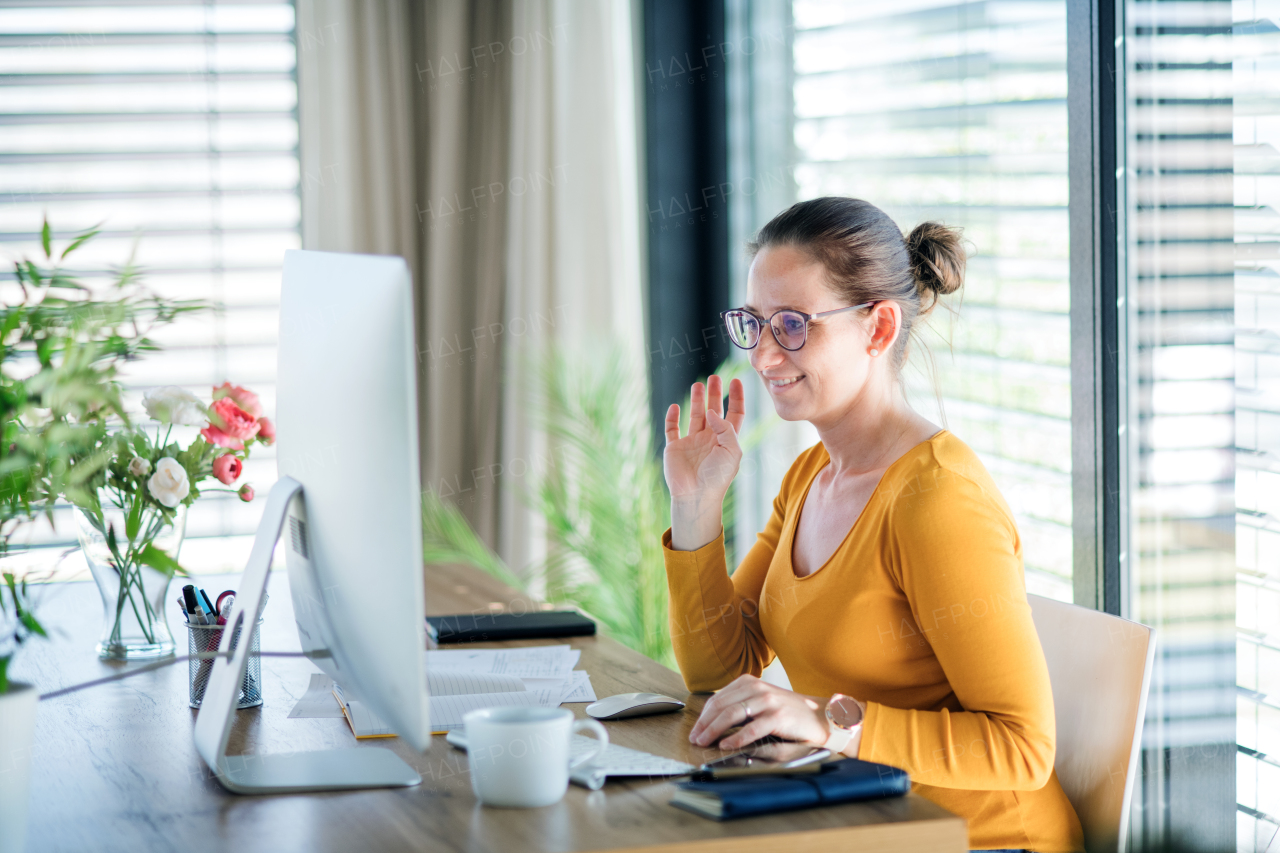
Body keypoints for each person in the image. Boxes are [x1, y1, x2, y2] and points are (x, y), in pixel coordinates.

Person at [660, 197, 1083, 853]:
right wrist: (694, 505)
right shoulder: (809, 477)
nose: (766, 356)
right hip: (865, 821)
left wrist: (829, 722)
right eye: (754, 323)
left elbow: (1022, 747)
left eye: (794, 325)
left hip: (985, 839)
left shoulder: (937, 499)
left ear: (878, 327)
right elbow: (721, 670)